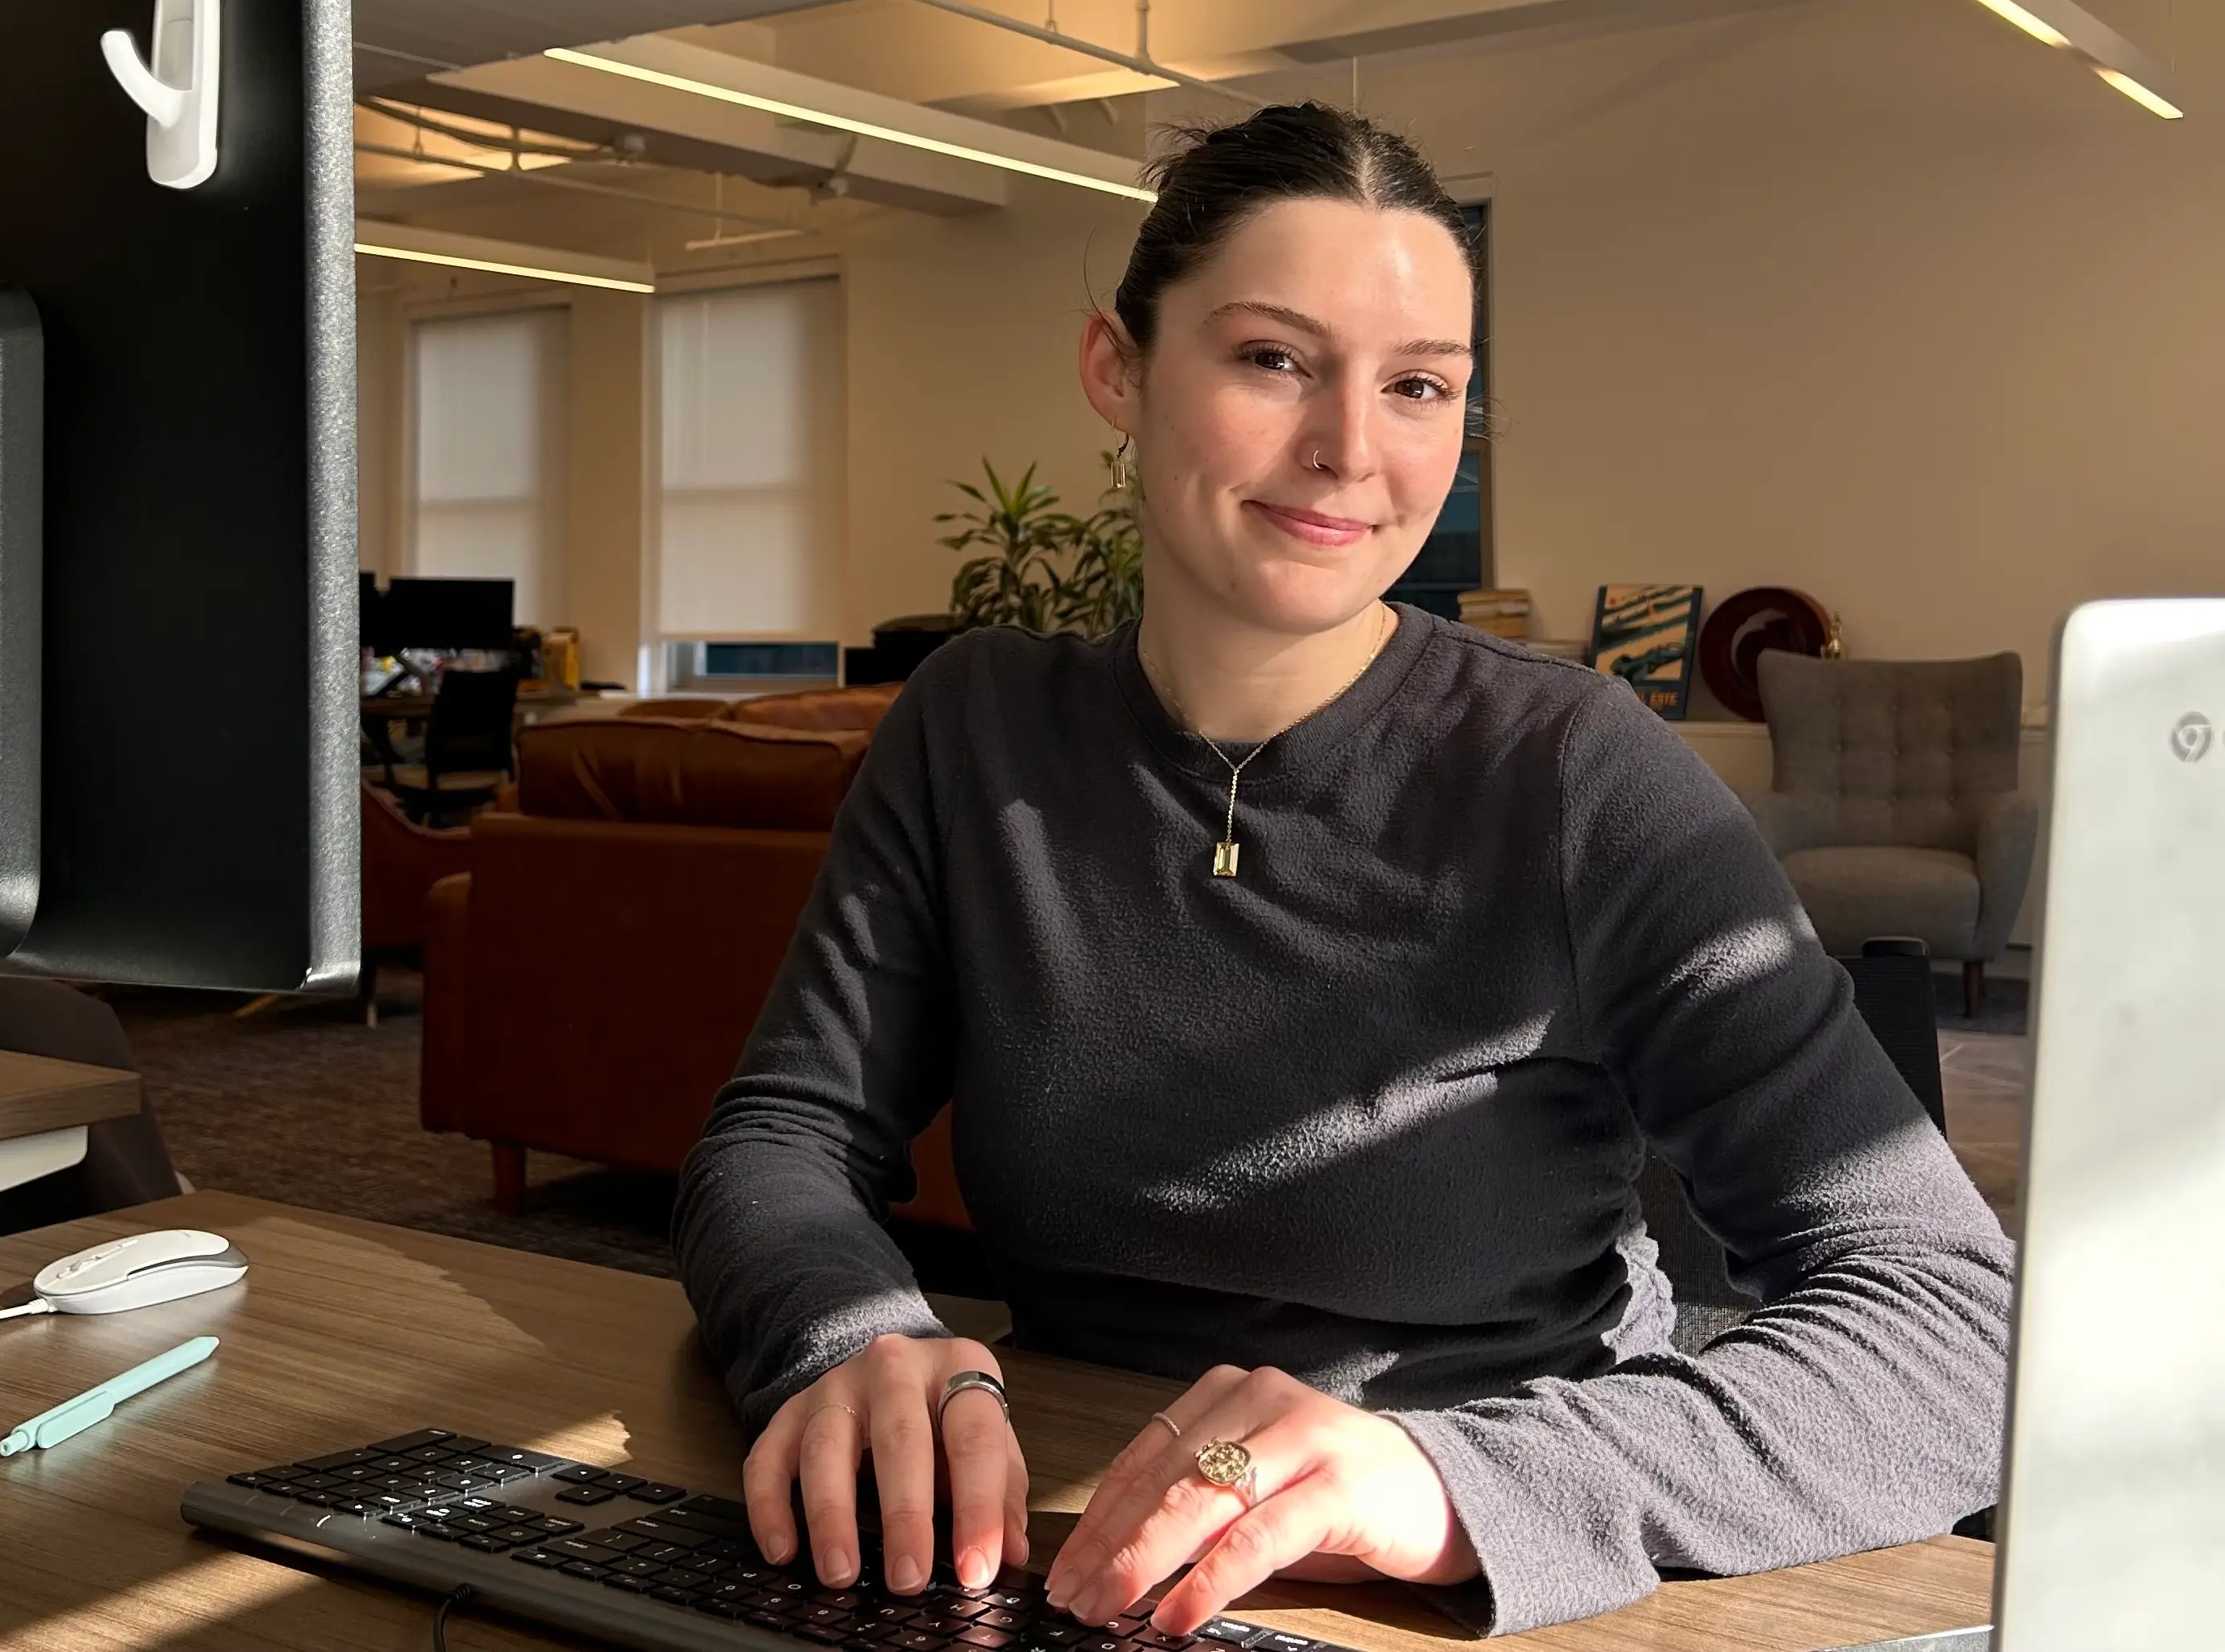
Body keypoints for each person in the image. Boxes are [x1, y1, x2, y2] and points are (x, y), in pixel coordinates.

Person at [672, 102, 2012, 1637]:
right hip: (1048, 1538)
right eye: (1272, 359)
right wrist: (849, 1334)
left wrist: (1451, 1482)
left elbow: (1955, 1321)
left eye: (1420, 385)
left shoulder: (1580, 771)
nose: (1352, 451)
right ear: (1118, 367)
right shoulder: (978, 723)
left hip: (1470, 1568)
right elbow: (779, 1134)